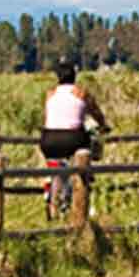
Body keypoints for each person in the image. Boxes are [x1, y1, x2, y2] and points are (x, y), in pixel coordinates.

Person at [41, 63, 106, 218]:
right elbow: (96, 113)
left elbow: (47, 117)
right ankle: (82, 189)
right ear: (74, 77)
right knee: (82, 160)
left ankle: (52, 196)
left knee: (55, 166)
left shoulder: (50, 94)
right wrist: (103, 124)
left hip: (49, 139)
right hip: (73, 139)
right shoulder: (81, 93)